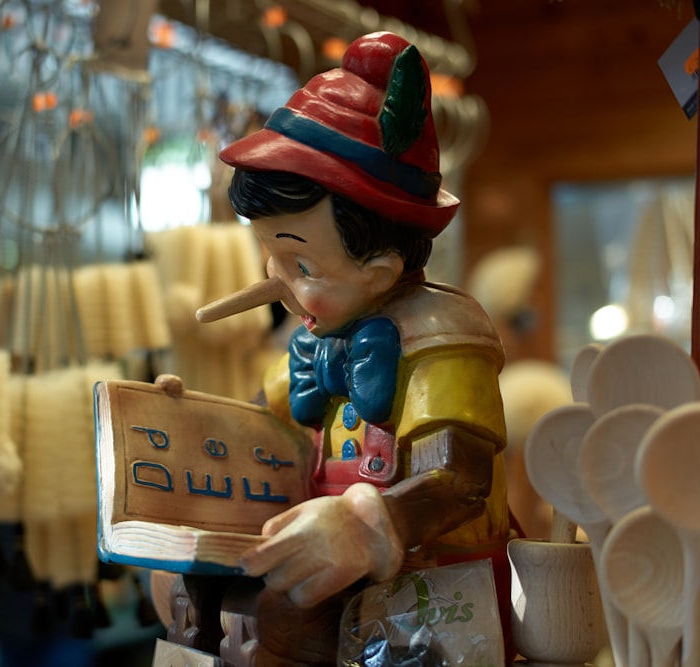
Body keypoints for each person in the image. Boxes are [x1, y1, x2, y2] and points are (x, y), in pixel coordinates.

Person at [192, 31, 514, 664]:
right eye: (272, 255)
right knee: (208, 590)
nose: (275, 279)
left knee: (290, 617)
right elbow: (257, 426)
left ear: (381, 268)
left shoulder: (441, 340)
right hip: (335, 576)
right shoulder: (316, 342)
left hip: (437, 593)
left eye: (299, 260)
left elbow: (460, 478)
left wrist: (374, 525)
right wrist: (186, 422)